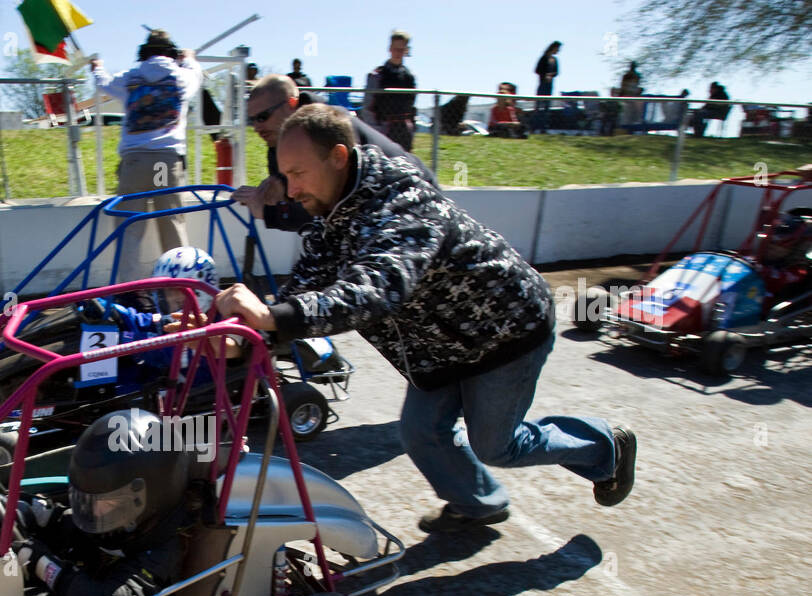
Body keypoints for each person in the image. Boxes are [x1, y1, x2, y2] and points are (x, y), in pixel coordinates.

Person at [213, 104, 637, 532]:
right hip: (441, 345)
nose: (290, 188)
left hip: (506, 331)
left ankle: (604, 446)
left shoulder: (403, 200)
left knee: (497, 446)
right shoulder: (331, 210)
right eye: (284, 175)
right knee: (421, 432)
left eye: (298, 173)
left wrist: (271, 316)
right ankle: (478, 504)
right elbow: (306, 285)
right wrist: (244, 337)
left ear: (338, 156)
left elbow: (376, 289)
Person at [15, 408, 201, 596]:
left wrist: (40, 562)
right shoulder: (120, 522)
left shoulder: (163, 551)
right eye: (85, 500)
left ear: (147, 498)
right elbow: (75, 528)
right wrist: (34, 513)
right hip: (85, 577)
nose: (92, 510)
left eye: (105, 502)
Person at [233, 73, 434, 233]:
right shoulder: (279, 140)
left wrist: (270, 213)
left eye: (263, 117)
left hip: (418, 203)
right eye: (252, 120)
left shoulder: (330, 128)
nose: (257, 127)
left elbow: (322, 210)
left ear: (292, 104)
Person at [91, 30, 203, 279]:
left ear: (145, 52)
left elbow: (103, 83)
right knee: (171, 224)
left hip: (135, 162)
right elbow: (196, 74)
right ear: (171, 53)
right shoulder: (181, 77)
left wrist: (97, 67)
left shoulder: (132, 78)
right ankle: (179, 290)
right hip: (166, 163)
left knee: (129, 229)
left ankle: (128, 293)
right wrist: (189, 58)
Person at [360, 30, 417, 151]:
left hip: (404, 133)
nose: (398, 52)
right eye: (396, 48)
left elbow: (411, 107)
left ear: (407, 50)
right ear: (390, 48)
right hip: (383, 131)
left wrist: (410, 129)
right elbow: (367, 107)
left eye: (402, 49)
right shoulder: (377, 75)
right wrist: (376, 132)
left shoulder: (409, 77)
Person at [533, 41, 560, 133]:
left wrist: (551, 75)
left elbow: (556, 72)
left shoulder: (555, 60)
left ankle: (543, 128)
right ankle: (534, 127)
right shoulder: (543, 58)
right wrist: (545, 75)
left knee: (546, 107)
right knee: (539, 106)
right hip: (542, 85)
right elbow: (537, 70)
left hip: (550, 86)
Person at [619, 61, 643, 131]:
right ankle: (626, 127)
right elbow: (623, 87)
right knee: (627, 112)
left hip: (634, 98)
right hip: (626, 97)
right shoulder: (626, 76)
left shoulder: (637, 76)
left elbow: (636, 87)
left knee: (634, 112)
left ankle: (633, 126)